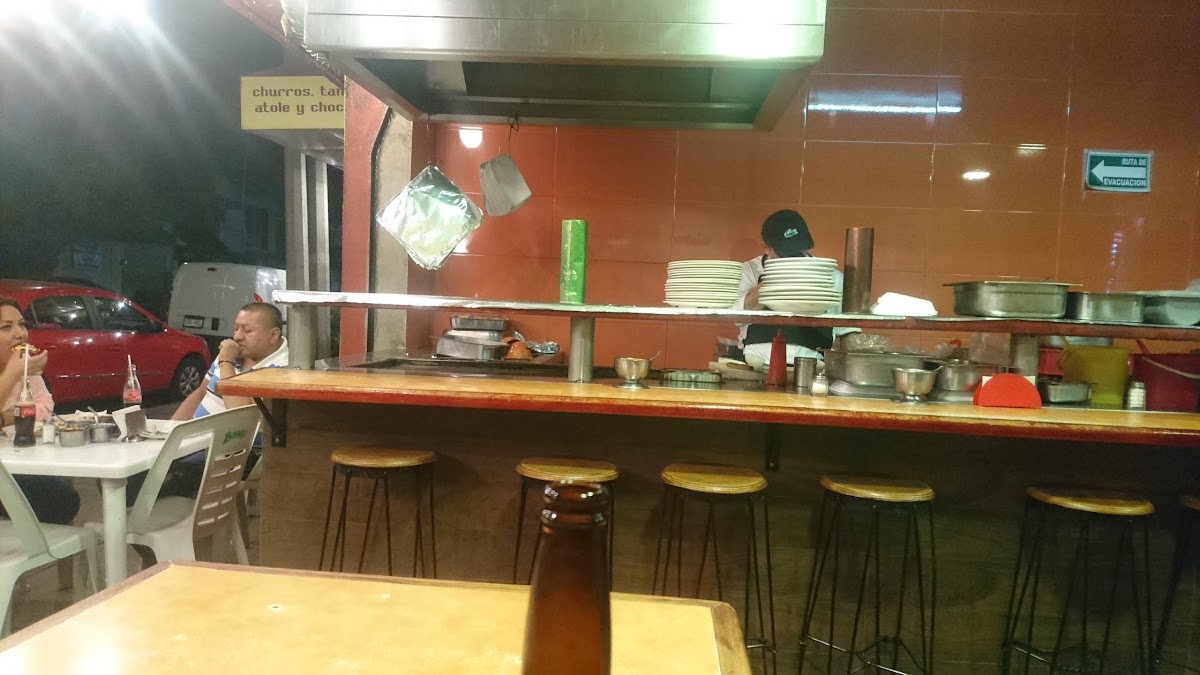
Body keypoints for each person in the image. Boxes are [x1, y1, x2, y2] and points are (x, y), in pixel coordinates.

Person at [128, 302, 288, 504]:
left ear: (273, 336)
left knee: (144, 481)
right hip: (194, 442)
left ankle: (163, 520)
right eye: (236, 328)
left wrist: (226, 363)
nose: (237, 337)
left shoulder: (281, 368)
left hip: (234, 453)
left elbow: (241, 415)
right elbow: (199, 394)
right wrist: (169, 433)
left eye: (247, 330)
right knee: (129, 470)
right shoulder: (234, 354)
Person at [732, 209, 858, 367]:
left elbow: (846, 330)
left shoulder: (830, 276)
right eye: (786, 252)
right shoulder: (750, 270)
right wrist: (774, 278)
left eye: (799, 249)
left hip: (810, 368)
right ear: (766, 248)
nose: (795, 256)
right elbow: (737, 317)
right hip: (756, 365)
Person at [0, 297, 81, 525]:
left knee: (63, 495)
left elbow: (45, 404)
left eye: (22, 324)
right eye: (6, 327)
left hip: (14, 457)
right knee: (61, 500)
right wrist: (13, 374)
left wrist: (6, 418)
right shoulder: (18, 368)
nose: (20, 334)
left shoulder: (23, 362)